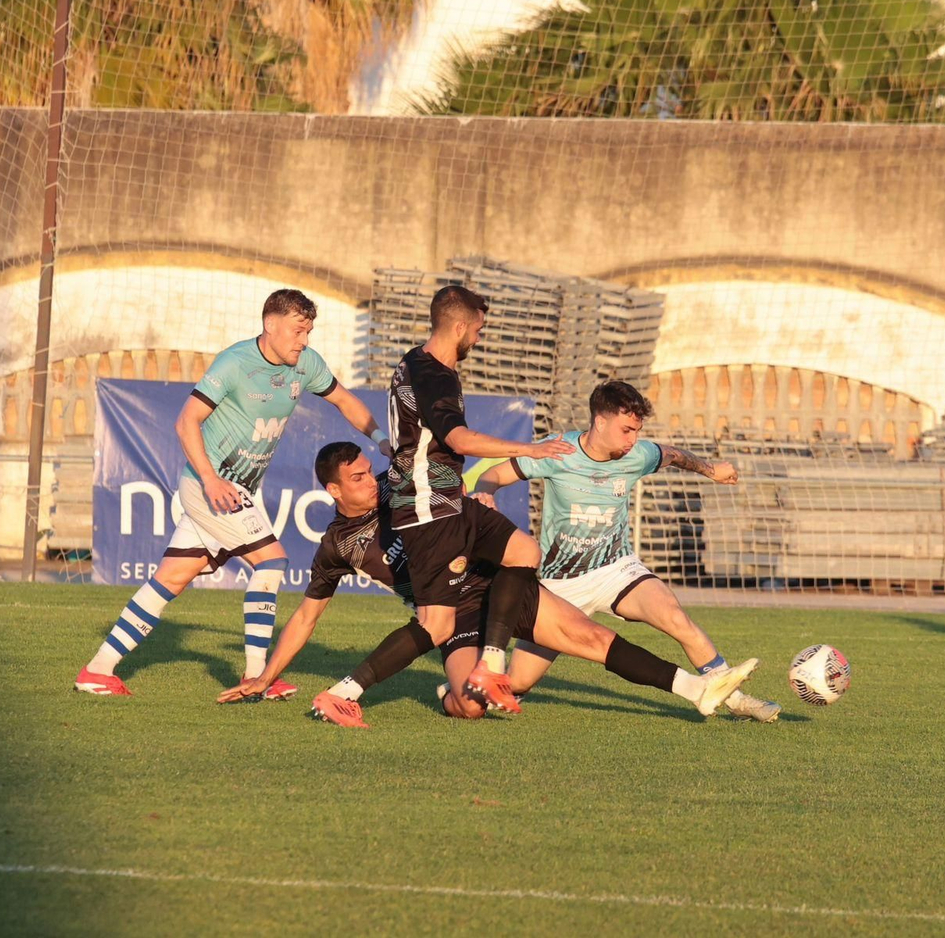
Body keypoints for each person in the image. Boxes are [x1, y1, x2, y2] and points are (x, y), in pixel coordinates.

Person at [218, 442, 757, 727]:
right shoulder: (337, 546)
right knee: (470, 708)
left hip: (498, 586)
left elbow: (455, 465)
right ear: (334, 491)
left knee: (592, 639)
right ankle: (457, 690)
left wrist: (477, 499)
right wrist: (266, 676)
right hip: (449, 616)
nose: (371, 482)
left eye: (368, 470)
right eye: (357, 478)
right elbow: (307, 616)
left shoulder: (404, 489)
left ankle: (698, 690)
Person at [74, 289, 389, 698]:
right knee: (272, 561)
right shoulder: (235, 363)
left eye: (308, 331)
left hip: (234, 489)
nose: (304, 340)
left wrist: (381, 440)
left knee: (171, 578)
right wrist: (210, 479)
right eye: (297, 331)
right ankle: (256, 677)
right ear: (270, 324)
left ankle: (98, 669)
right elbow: (186, 421)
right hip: (211, 486)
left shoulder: (305, 364)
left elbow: (344, 400)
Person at [474, 380, 780, 722]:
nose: (633, 440)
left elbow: (674, 454)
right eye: (626, 430)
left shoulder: (637, 455)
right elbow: (493, 474)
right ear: (600, 421)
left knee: (675, 617)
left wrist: (712, 471)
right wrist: (486, 494)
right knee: (518, 681)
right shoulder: (558, 451)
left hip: (616, 569)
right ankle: (467, 687)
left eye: (637, 431)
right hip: (560, 585)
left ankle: (735, 699)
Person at [378, 284, 574, 715]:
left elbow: (424, 441)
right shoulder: (436, 375)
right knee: (434, 625)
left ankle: (489, 664)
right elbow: (458, 438)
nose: (479, 338)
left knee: (523, 551)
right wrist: (531, 449)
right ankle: (348, 690)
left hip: (440, 497)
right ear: (459, 327)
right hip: (429, 507)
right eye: (478, 329)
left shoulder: (414, 360)